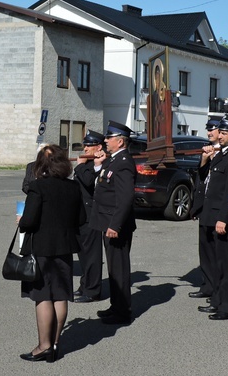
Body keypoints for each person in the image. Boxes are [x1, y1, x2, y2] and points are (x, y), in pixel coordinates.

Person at [18, 144, 85, 363]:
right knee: (60, 295)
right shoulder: (73, 187)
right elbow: (81, 219)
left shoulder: (38, 187)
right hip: (64, 248)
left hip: (42, 248)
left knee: (43, 296)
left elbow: (28, 221)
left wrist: (21, 220)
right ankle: (55, 343)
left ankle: (43, 346)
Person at [198, 114, 228, 320]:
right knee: (217, 263)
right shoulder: (221, 155)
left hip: (222, 218)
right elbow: (209, 184)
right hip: (211, 215)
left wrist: (223, 218)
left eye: (225, 133)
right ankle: (217, 300)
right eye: (221, 133)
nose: (220, 136)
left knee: (227, 264)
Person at [90, 120, 137, 325]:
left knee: (119, 268)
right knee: (113, 268)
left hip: (116, 226)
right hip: (107, 222)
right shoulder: (113, 160)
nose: (105, 141)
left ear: (120, 141)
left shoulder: (124, 162)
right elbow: (100, 183)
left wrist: (115, 225)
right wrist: (99, 164)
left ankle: (123, 312)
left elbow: (125, 198)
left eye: (109, 138)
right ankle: (116, 306)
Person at [188, 117, 221, 300]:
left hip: (218, 209)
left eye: (213, 130)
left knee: (217, 252)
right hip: (205, 207)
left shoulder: (225, 152)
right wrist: (203, 159)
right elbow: (201, 179)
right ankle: (207, 285)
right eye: (208, 130)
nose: (209, 133)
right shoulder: (207, 150)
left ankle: (217, 287)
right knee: (205, 250)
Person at [73, 130, 104, 303]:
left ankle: (93, 291)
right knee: (83, 255)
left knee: (92, 255)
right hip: (80, 215)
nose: (85, 148)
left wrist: (79, 165)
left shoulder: (99, 162)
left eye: (89, 145)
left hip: (92, 214)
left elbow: (88, 181)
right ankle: (85, 285)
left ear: (98, 147)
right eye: (85, 145)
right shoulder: (88, 162)